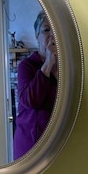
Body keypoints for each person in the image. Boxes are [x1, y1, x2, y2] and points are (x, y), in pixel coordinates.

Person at [13, 11, 58, 159]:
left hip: (57, 146)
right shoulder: (27, 66)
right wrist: (48, 64)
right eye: (46, 30)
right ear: (37, 36)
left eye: (55, 30)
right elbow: (30, 100)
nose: (52, 35)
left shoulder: (66, 68)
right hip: (29, 147)